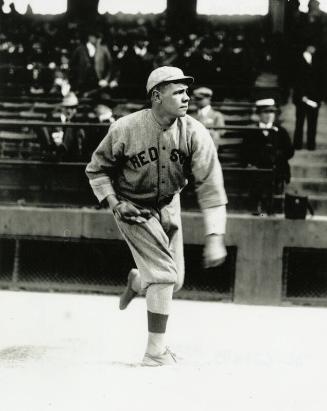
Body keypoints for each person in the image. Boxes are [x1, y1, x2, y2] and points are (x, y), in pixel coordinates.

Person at [86, 66, 228, 366]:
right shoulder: (125, 128)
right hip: (132, 206)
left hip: (169, 203)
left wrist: (215, 237)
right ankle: (155, 353)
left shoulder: (194, 132)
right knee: (164, 275)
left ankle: (138, 281)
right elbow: (97, 170)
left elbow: (212, 188)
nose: (186, 97)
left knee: (174, 282)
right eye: (178, 91)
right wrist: (114, 203)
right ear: (156, 96)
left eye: (186, 91)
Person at [241, 98, 294, 214]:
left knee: (276, 176)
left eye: (272, 112)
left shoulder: (280, 131)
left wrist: (278, 156)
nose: (269, 115)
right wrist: (251, 163)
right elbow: (245, 151)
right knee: (257, 178)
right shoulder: (251, 131)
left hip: (276, 168)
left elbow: (289, 151)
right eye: (266, 112)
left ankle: (274, 207)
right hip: (258, 168)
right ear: (259, 114)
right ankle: (257, 206)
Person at [293, 44, 324, 150]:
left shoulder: (318, 60)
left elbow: (321, 80)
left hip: (314, 97)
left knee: (313, 122)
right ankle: (297, 144)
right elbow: (295, 80)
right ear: (308, 47)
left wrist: (319, 98)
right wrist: (301, 95)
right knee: (300, 122)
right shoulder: (297, 60)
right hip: (301, 97)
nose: (314, 49)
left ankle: (311, 144)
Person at [69, 30, 115, 97]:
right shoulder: (79, 50)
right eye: (97, 38)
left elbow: (111, 67)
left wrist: (106, 80)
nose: (99, 40)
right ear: (90, 37)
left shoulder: (103, 49)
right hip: (82, 86)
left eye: (100, 38)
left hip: (99, 85)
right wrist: (74, 84)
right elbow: (72, 67)